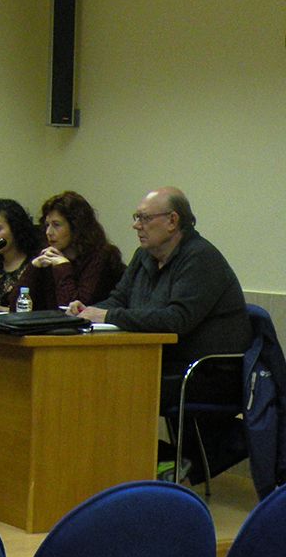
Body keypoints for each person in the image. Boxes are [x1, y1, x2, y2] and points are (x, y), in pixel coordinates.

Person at [69, 186, 251, 483]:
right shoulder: (144, 257)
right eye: (136, 217)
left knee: (115, 389)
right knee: (90, 381)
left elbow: (176, 320)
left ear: (172, 221)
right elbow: (118, 300)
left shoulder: (201, 259)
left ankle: (164, 462)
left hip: (208, 373)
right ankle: (142, 465)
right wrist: (87, 310)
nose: (135, 225)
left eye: (143, 218)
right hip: (161, 363)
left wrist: (109, 315)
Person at [13, 191, 126, 310]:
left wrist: (63, 267)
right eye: (47, 225)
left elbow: (74, 309)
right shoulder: (48, 255)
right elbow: (16, 308)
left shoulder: (100, 256)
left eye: (56, 225)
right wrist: (33, 269)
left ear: (76, 227)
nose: (48, 232)